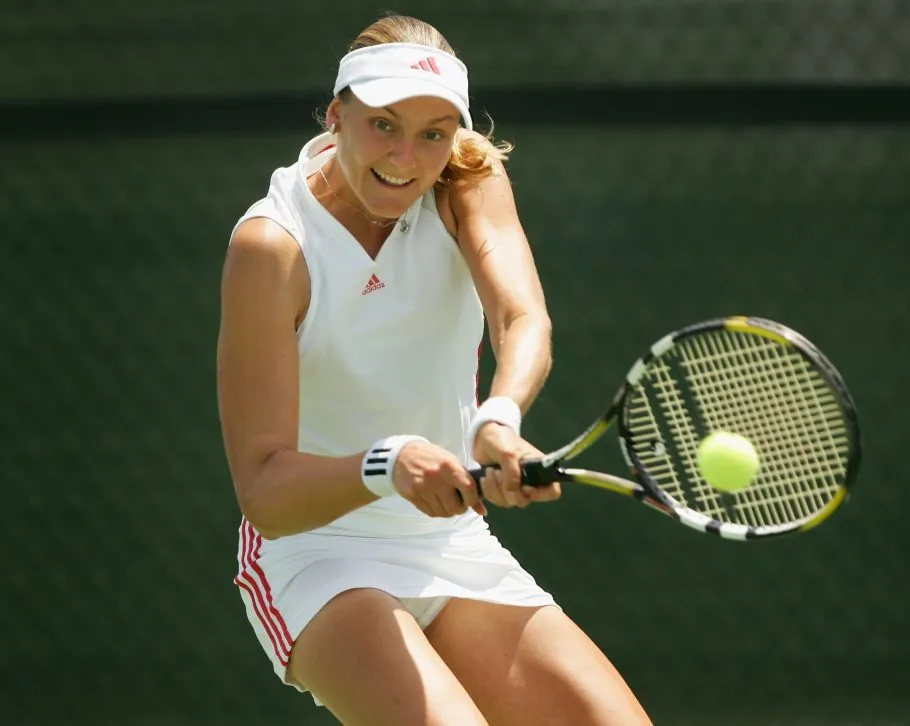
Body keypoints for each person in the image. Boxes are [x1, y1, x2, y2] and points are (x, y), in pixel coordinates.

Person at [217, 12, 653, 725]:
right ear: (335, 115)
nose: (405, 157)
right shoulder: (274, 246)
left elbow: (522, 318)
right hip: (315, 552)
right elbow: (265, 490)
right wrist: (388, 464)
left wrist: (498, 420)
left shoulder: (466, 177)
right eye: (383, 125)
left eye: (433, 133)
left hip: (448, 540)